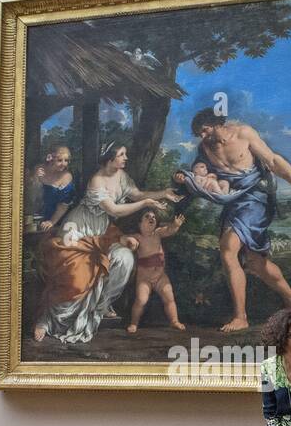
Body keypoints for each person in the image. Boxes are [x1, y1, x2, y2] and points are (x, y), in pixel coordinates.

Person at [175, 109, 291, 331]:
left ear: (215, 124)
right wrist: (183, 179)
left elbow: (273, 160)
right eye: (199, 134)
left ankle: (240, 317)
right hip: (233, 200)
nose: (202, 137)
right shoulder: (204, 148)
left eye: (204, 131)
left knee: (228, 249)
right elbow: (199, 176)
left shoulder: (243, 133)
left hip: (256, 197)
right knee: (255, 263)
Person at [32, 142, 180, 343]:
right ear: (110, 158)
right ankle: (48, 320)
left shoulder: (122, 176)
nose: (125, 158)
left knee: (125, 258)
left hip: (103, 229)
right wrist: (145, 204)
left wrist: (162, 193)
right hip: (79, 228)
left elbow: (137, 194)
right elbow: (114, 211)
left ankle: (100, 305)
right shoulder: (97, 181)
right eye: (121, 154)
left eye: (125, 154)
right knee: (76, 274)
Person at [125, 209, 187, 334]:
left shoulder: (158, 233)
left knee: (169, 298)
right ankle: (133, 323)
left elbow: (169, 230)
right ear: (139, 223)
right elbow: (126, 239)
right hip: (144, 278)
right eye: (147, 217)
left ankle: (174, 321)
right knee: (141, 300)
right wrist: (130, 242)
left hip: (160, 276)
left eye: (153, 217)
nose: (151, 219)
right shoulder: (138, 237)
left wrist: (175, 225)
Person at [31, 146, 75, 233]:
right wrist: (35, 177)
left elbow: (64, 205)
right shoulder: (39, 170)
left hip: (57, 218)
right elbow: (30, 193)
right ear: (50, 159)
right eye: (60, 160)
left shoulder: (66, 177)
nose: (63, 164)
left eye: (66, 161)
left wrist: (51, 222)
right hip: (35, 215)